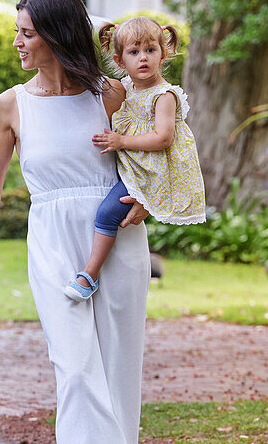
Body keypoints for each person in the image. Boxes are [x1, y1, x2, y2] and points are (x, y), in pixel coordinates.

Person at [0, 0, 150, 444]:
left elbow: (155, 159)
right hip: (51, 240)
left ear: (58, 34)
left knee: (112, 372)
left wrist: (143, 197)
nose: (16, 42)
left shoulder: (110, 95)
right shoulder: (12, 103)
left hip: (114, 241)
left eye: (26, 32)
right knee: (74, 369)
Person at [65, 16, 205, 301]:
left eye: (150, 51)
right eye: (134, 52)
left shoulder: (163, 95)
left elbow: (163, 138)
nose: (143, 58)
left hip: (151, 172)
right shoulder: (125, 88)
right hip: (134, 166)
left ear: (163, 54)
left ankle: (89, 274)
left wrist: (122, 141)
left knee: (107, 212)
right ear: (119, 59)